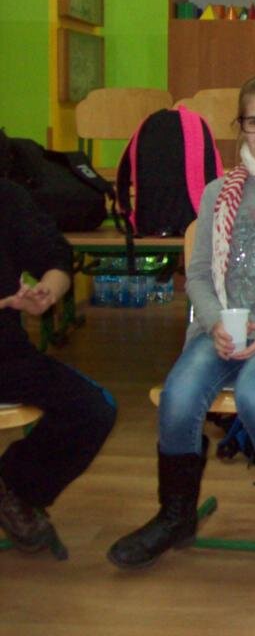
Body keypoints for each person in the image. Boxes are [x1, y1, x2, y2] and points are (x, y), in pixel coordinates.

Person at [107, 72, 255, 582]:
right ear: (240, 125)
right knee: (178, 396)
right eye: (254, 122)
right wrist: (215, 322)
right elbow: (196, 275)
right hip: (221, 332)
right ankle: (175, 515)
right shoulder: (219, 192)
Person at [0, 179, 117, 559]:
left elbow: (55, 254)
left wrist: (47, 291)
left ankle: (15, 489)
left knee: (94, 409)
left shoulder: (7, 196)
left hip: (7, 355)